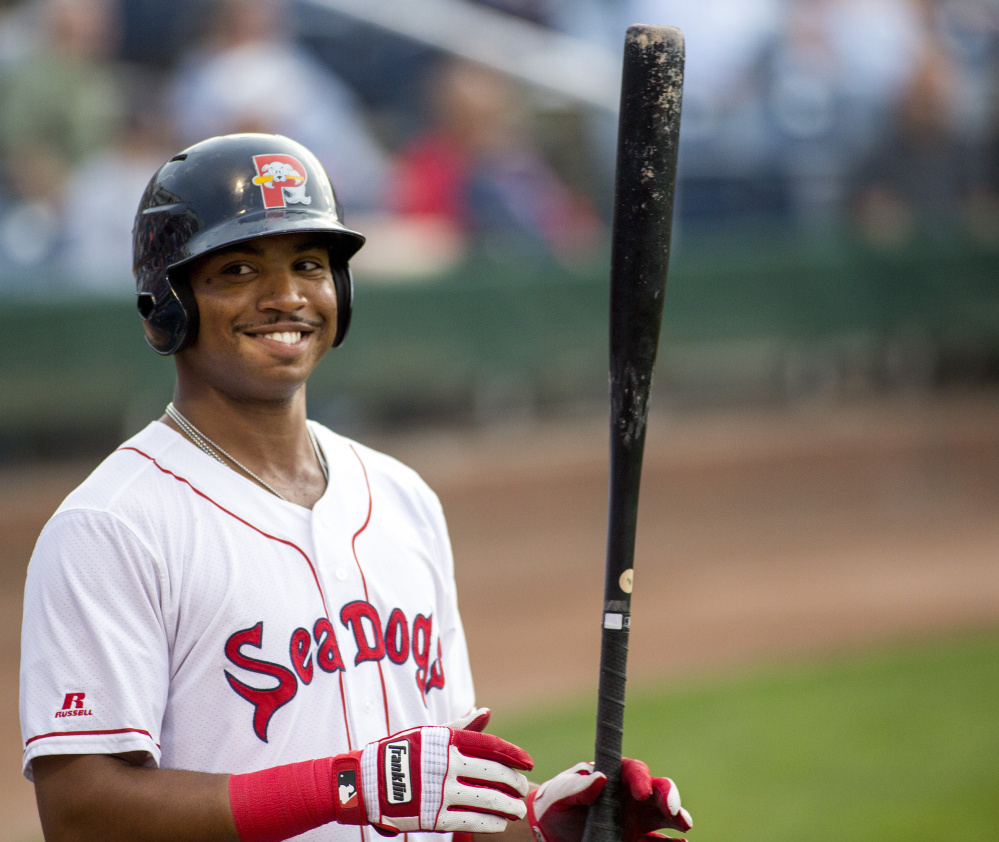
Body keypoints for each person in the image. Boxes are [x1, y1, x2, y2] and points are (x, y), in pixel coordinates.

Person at [19, 132, 693, 842]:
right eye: (240, 269)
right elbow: (81, 814)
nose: (285, 296)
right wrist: (343, 786)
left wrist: (539, 829)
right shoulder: (111, 527)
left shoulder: (402, 498)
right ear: (167, 301)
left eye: (308, 265)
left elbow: (433, 792)